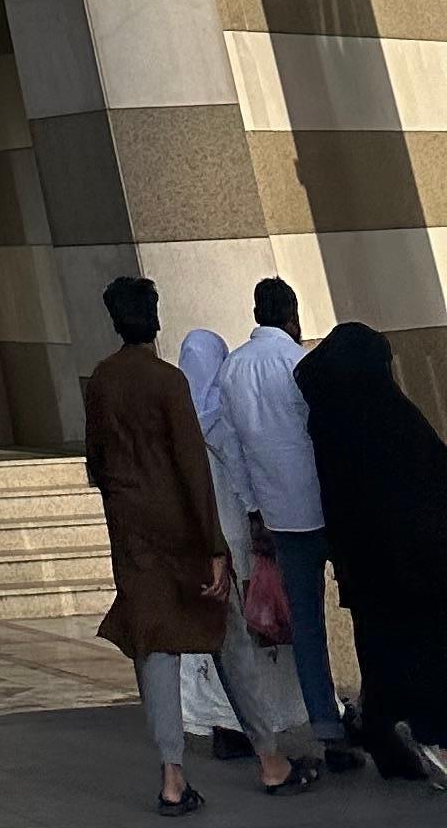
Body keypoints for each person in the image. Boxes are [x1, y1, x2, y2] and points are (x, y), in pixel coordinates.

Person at [89, 276, 319, 812]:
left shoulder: (100, 381)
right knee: (228, 639)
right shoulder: (169, 382)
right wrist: (215, 547)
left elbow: (96, 463)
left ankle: (172, 778)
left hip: (134, 540)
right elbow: (193, 467)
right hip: (184, 537)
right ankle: (270, 760)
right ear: (154, 318)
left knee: (155, 650)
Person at [295, 325, 447, 787]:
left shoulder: (329, 421)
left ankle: (390, 743)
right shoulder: (393, 418)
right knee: (424, 650)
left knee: (378, 654)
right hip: (414, 566)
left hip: (362, 566)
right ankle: (429, 734)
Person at [181, 329, 327, 782]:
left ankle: (225, 723)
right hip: (237, 533)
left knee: (223, 637)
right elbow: (243, 467)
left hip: (205, 538)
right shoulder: (222, 418)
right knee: (252, 631)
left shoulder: (179, 423)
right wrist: (256, 513)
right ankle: (263, 723)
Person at [228, 282, 352, 755]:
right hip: (326, 507)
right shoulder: (298, 363)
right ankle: (373, 709)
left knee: (306, 624)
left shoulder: (232, 369)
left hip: (279, 515)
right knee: (362, 607)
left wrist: (253, 507)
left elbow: (235, 451)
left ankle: (325, 724)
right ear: (293, 317)